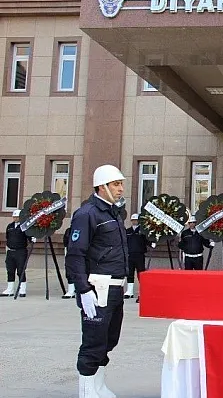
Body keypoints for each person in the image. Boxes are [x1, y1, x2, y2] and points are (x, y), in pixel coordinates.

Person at [65, 164, 129, 397]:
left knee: (108, 339)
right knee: (93, 342)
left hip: (114, 288)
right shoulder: (87, 213)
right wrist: (83, 290)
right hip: (97, 288)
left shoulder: (112, 213)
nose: (121, 188)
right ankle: (86, 391)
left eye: (121, 183)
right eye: (116, 184)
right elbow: (75, 253)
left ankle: (98, 386)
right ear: (102, 186)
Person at [1, 210, 35, 297]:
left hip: (21, 251)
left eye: (17, 217)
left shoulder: (24, 226)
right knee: (10, 270)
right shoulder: (10, 226)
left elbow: (29, 237)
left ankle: (22, 289)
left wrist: (32, 239)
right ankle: (10, 289)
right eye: (14, 217)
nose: (15, 218)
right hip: (10, 251)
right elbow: (8, 238)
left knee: (21, 271)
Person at [125, 214, 154, 298]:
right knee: (130, 273)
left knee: (140, 273)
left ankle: (142, 291)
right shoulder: (128, 231)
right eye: (133, 220)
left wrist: (152, 244)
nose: (134, 221)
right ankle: (129, 291)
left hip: (140, 254)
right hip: (130, 254)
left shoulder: (142, 231)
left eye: (136, 220)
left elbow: (147, 240)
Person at [62, 225, 76, 299]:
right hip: (70, 253)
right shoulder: (69, 231)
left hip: (83, 254)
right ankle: (71, 290)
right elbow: (65, 242)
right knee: (69, 272)